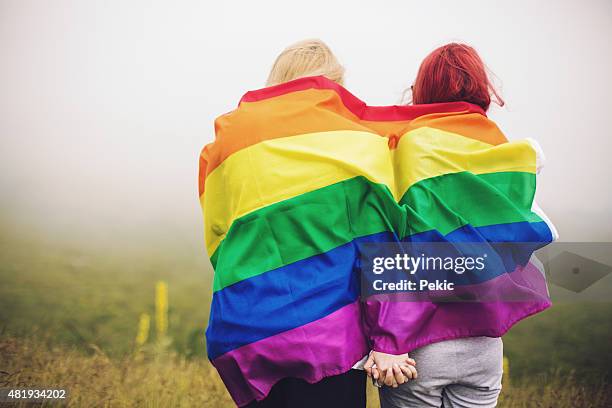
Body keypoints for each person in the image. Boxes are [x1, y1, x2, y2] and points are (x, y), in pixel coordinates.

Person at [364, 43, 540, 408]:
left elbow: (392, 247)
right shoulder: (497, 145)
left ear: (423, 87)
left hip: (418, 347)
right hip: (485, 344)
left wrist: (387, 339)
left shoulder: (409, 146)